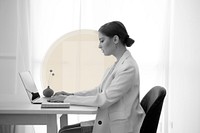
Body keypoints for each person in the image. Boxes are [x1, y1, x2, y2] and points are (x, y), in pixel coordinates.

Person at [48, 21, 145, 133]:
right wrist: (71, 95)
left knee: (64, 132)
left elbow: (104, 99)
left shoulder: (128, 67)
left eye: (102, 40)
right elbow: (99, 90)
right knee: (63, 130)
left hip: (121, 127)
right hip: (110, 121)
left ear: (115, 40)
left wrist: (66, 99)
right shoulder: (118, 64)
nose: (99, 46)